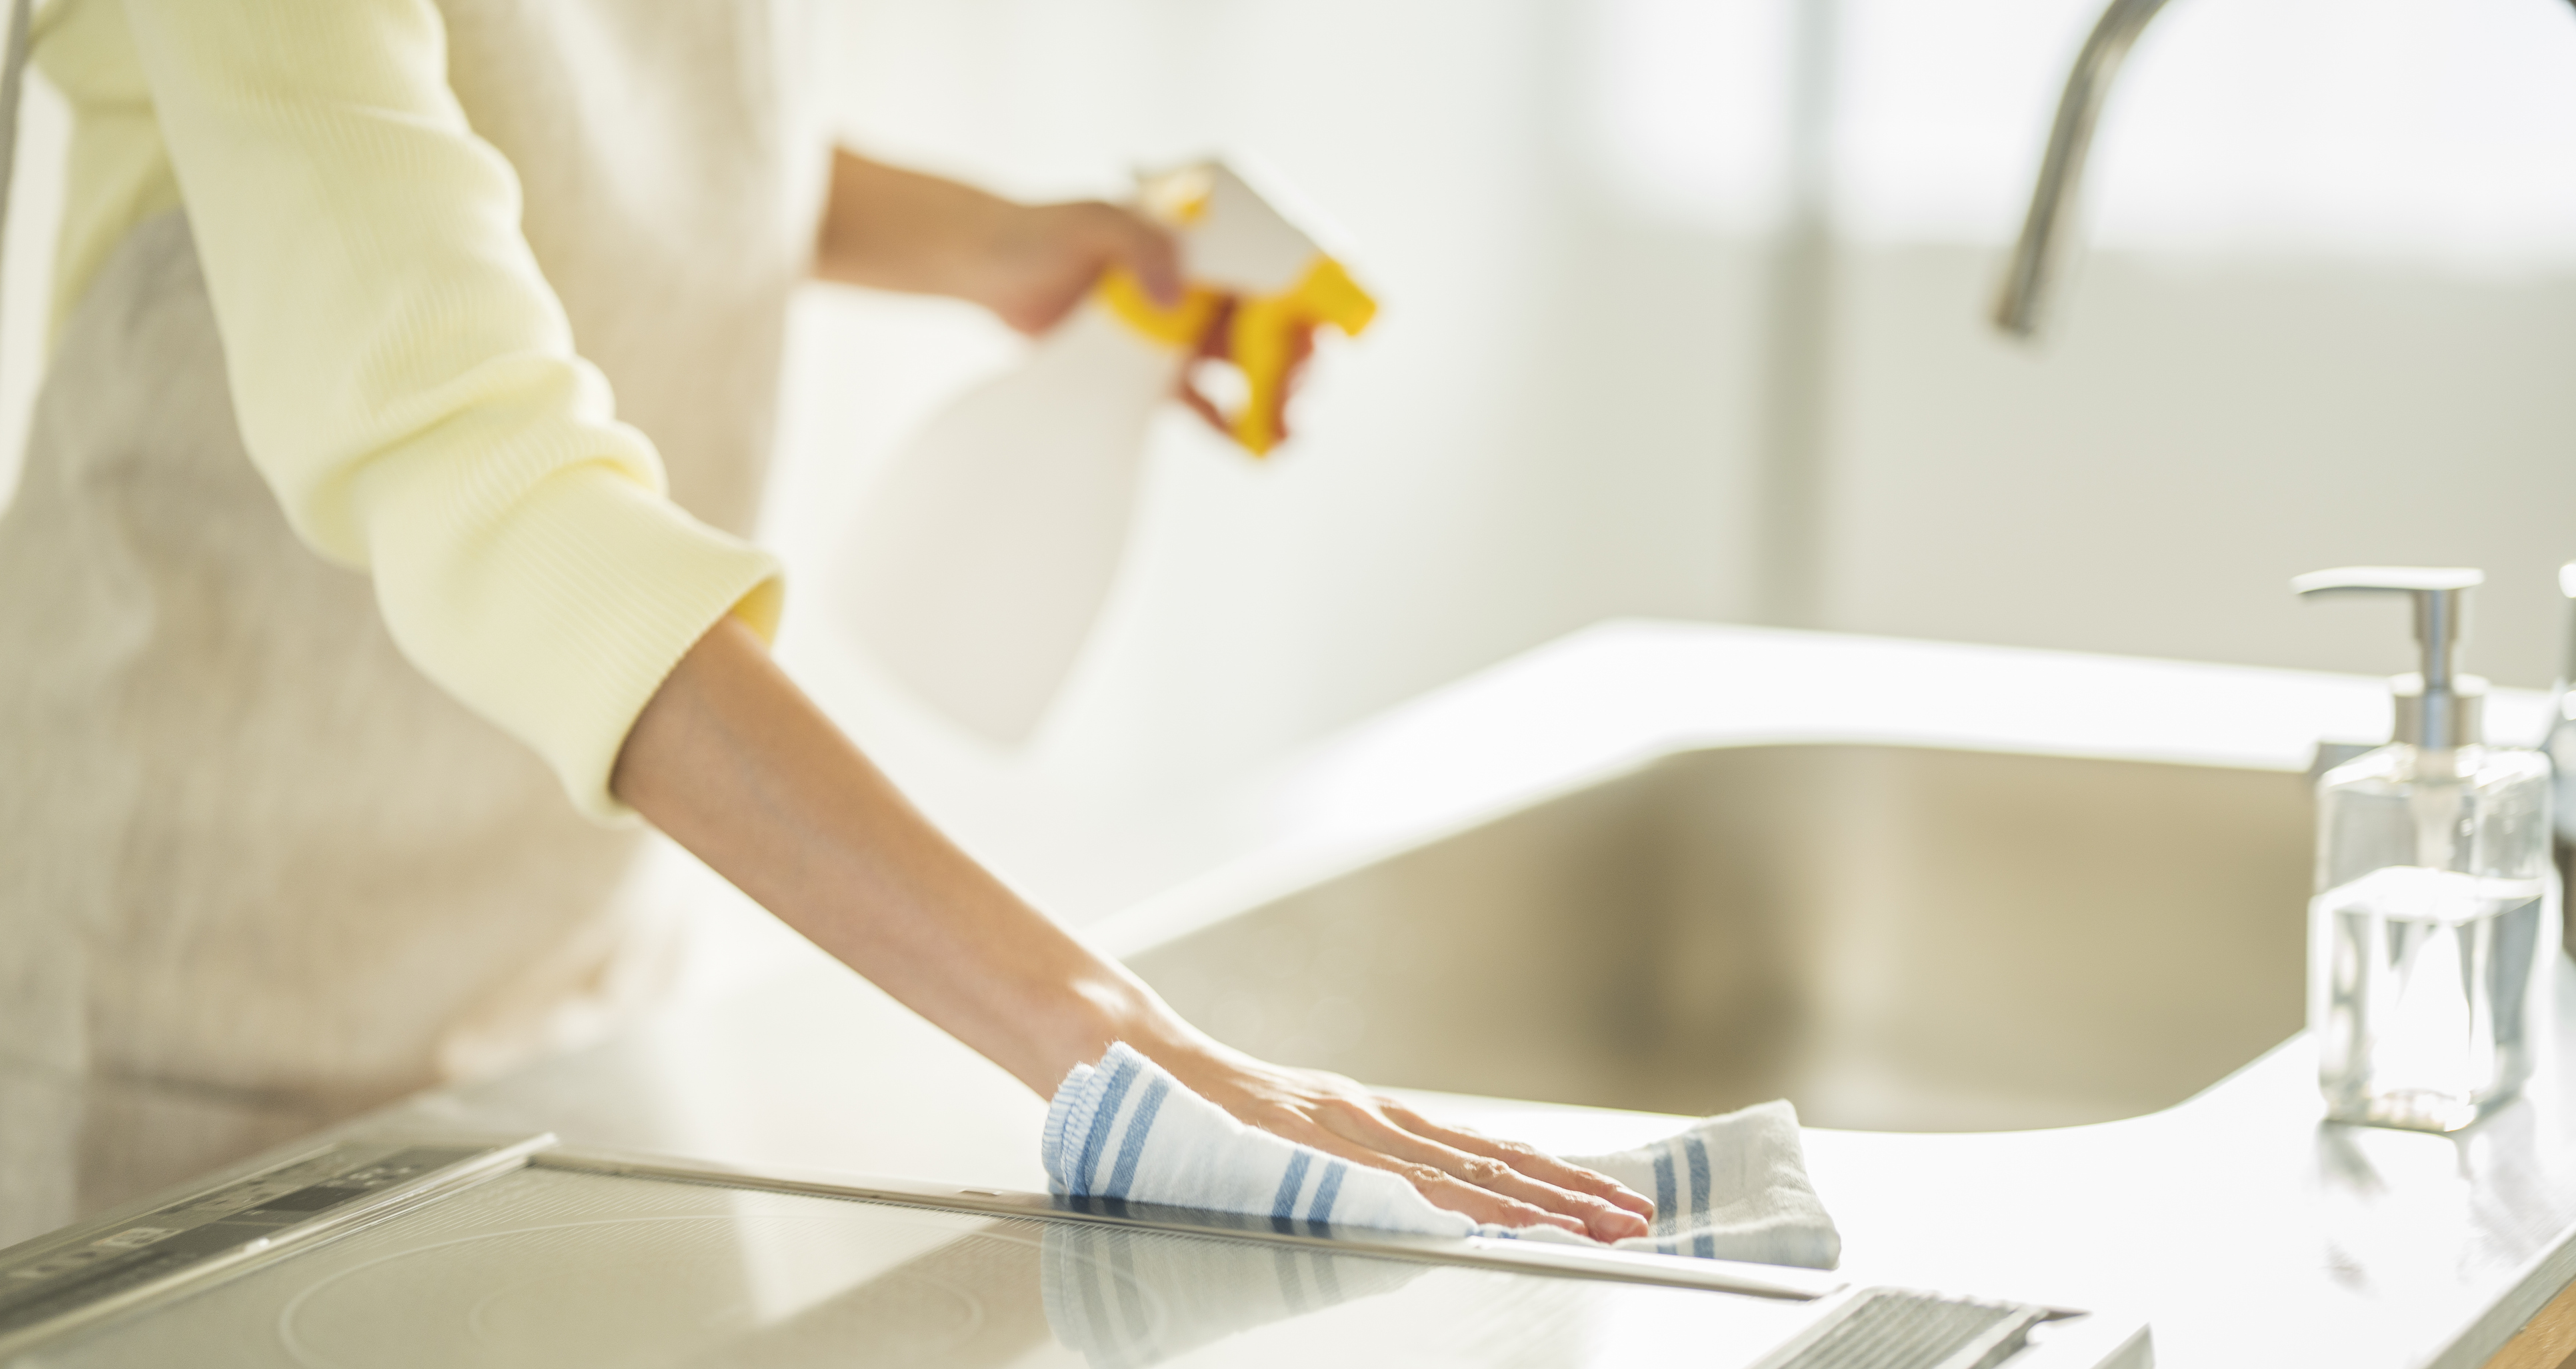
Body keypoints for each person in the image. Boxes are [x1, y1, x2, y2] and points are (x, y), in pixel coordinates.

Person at [0, 0, 1651, 1250]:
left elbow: (592, 118)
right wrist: (1121, 1041)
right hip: (192, 1012)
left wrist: (990, 240)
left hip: (584, 959)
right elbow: (476, 472)